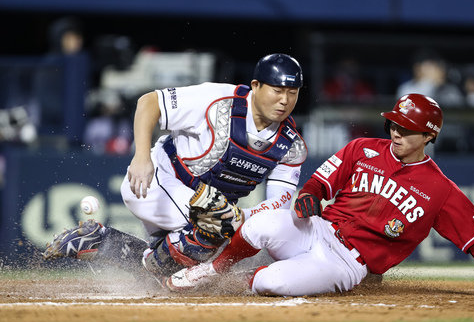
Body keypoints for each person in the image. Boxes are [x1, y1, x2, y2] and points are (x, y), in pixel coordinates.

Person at [166, 93, 474, 298]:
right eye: (394, 124)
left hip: (346, 263)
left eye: (407, 129)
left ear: (429, 136)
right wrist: (309, 195)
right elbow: (318, 184)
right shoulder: (362, 148)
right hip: (318, 230)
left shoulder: (440, 189)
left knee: (270, 282)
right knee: (262, 223)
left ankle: (237, 287)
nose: (396, 133)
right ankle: (211, 271)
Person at [43, 53, 307, 280]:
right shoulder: (219, 101)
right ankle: (152, 260)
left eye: (292, 93)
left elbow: (279, 205)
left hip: (203, 207)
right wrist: (141, 156)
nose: (284, 100)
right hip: (157, 183)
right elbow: (149, 102)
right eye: (277, 90)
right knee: (215, 226)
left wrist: (241, 217)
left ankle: (102, 242)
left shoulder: (291, 145)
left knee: (185, 271)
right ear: (256, 86)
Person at [396, 49, 464, 107]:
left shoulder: (450, 90)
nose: (434, 71)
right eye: (429, 67)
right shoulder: (406, 89)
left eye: (436, 67)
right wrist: (432, 84)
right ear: (417, 68)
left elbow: (458, 112)